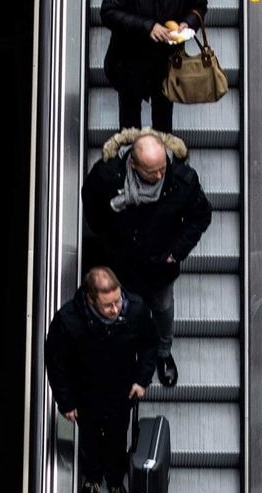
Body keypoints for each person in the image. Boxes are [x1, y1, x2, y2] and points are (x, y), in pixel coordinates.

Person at [82, 129, 211, 387]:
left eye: (163, 167)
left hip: (159, 268)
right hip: (121, 266)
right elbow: (92, 208)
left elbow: (201, 216)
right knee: (120, 310)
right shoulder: (107, 176)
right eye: (153, 171)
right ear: (133, 164)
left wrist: (176, 252)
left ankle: (163, 353)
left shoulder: (181, 180)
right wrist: (109, 240)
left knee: (163, 310)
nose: (161, 175)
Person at [44, 266, 158, 493]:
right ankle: (93, 478)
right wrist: (66, 402)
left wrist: (142, 380)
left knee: (118, 436)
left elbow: (150, 343)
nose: (116, 309)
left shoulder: (135, 310)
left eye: (118, 301)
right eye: (108, 305)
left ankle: (115, 481)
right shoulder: (68, 321)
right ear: (89, 299)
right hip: (86, 394)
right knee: (89, 438)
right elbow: (56, 362)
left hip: (121, 391)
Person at [101, 0, 208, 133]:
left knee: (164, 126)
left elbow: (200, 4)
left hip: (166, 64)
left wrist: (188, 22)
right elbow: (108, 12)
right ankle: (130, 161)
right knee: (129, 127)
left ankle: (161, 162)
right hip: (129, 62)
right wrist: (147, 27)